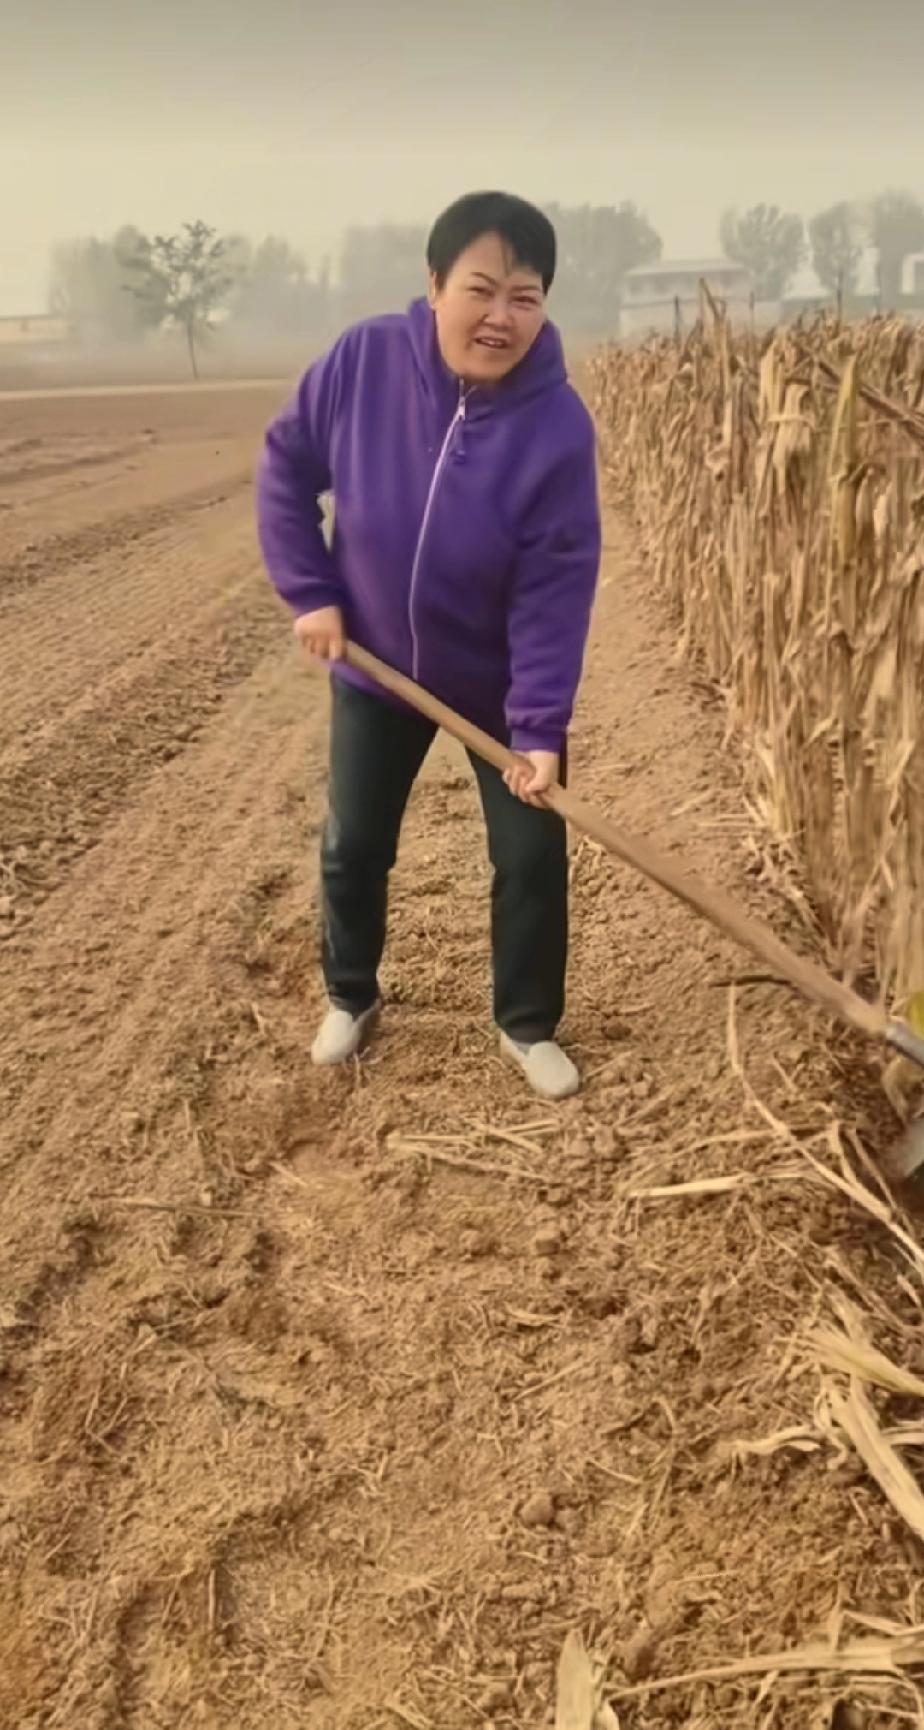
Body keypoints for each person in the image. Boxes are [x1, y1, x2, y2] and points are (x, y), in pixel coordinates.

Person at [256, 191, 601, 1100]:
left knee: (530, 856)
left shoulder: (557, 428)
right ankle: (352, 995)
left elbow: (555, 589)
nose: (500, 317)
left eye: (524, 297)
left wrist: (537, 727)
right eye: (481, 289)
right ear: (435, 282)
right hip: (375, 667)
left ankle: (526, 1025)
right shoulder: (364, 362)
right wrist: (313, 591)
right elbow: (285, 468)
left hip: (495, 685)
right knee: (355, 843)